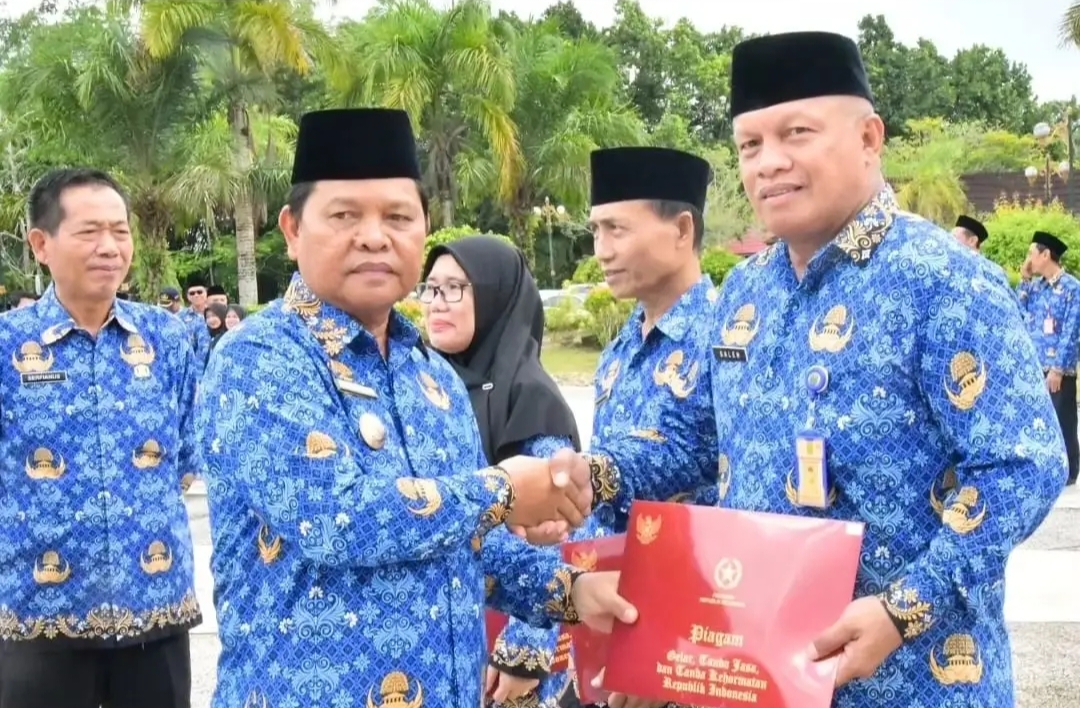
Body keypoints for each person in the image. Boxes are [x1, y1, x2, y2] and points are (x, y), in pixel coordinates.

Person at [672, 31, 1066, 708]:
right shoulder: (742, 293)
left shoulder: (945, 281)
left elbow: (1023, 466)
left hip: (920, 684)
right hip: (766, 680)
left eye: (796, 133)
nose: (769, 162)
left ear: (868, 138)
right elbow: (701, 447)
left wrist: (903, 607)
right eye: (750, 144)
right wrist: (581, 477)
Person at [194, 108, 630, 708]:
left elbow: (463, 539)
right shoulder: (259, 358)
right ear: (292, 230)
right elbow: (336, 519)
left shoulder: (432, 376)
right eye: (345, 215)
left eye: (398, 217)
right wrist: (504, 490)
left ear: (423, 230)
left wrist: (570, 590)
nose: (375, 236)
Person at [0, 168, 202, 708]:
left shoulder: (166, 339)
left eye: (120, 231)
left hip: (155, 611)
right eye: (89, 232)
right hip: (37, 621)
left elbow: (186, 456)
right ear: (41, 244)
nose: (109, 247)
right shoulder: (8, 347)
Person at [421, 235, 596, 708]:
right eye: (431, 288)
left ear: (495, 297)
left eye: (455, 288)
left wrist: (524, 653)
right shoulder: (424, 386)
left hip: (507, 643)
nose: (437, 302)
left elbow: (558, 524)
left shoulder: (527, 395)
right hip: (442, 635)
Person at [1019, 231, 1080, 485]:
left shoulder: (1071, 288)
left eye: (1032, 254)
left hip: (1058, 369)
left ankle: (1069, 471)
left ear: (1045, 255)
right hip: (1035, 365)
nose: (1029, 259)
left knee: (1062, 420)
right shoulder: (1036, 287)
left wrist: (1058, 369)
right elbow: (1020, 314)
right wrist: (1024, 280)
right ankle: (1045, 469)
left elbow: (1072, 331)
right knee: (1038, 421)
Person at [160, 286, 212, 368]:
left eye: (169, 305)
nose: (166, 308)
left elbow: (203, 347)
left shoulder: (196, 319)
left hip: (189, 366)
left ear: (177, 301)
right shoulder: (159, 319)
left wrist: (196, 369)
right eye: (163, 306)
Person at [180, 280, 211, 373]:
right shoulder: (180, 317)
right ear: (188, 297)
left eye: (199, 292)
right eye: (192, 293)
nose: (196, 295)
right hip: (190, 367)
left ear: (206, 293)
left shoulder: (216, 312)